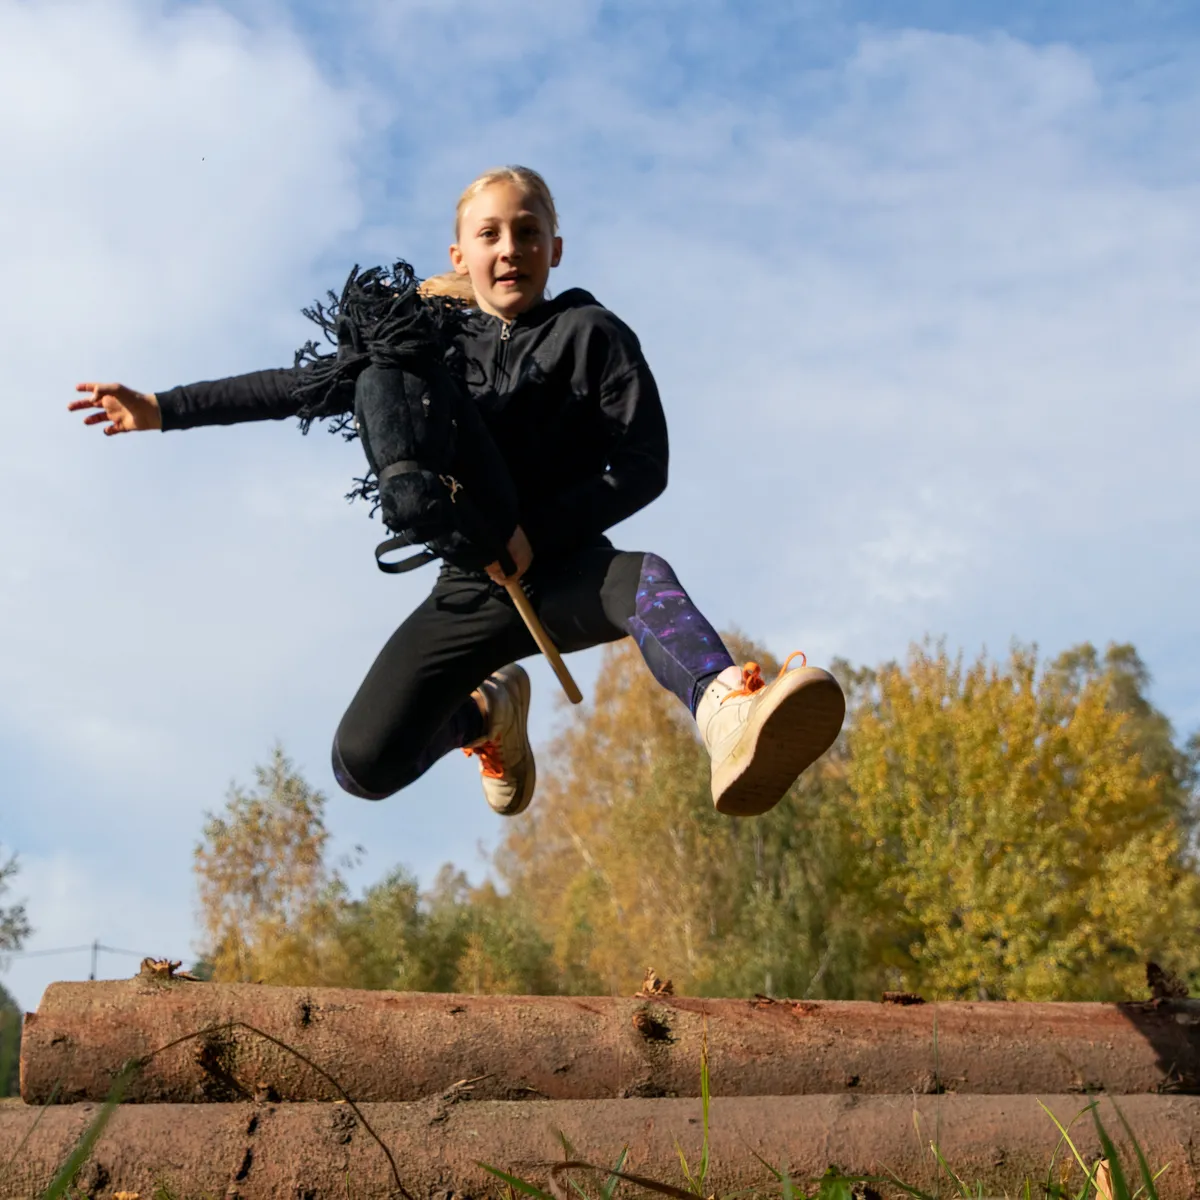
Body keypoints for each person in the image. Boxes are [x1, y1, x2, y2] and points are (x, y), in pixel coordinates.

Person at [69, 165, 845, 819]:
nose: (512, 249)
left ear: (556, 247)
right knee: (362, 765)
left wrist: (539, 531)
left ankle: (727, 713)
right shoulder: (430, 345)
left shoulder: (593, 335)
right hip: (468, 590)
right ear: (460, 253)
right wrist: (164, 408)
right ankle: (488, 712)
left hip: (567, 572)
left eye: (529, 232)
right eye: (491, 234)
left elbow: (646, 463)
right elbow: (294, 387)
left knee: (645, 580)